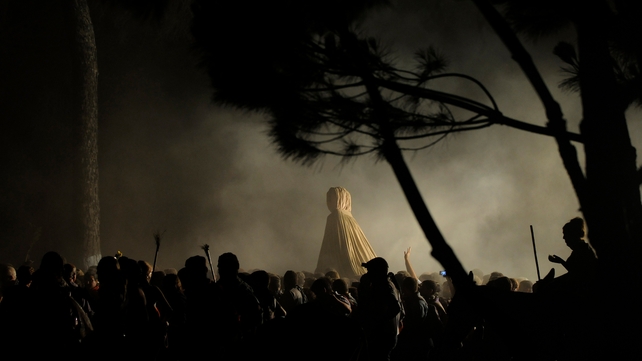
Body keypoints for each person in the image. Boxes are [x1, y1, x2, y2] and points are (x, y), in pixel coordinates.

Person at [315, 187, 377, 280]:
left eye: (330, 199)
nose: (328, 202)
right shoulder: (349, 216)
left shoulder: (335, 215)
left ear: (339, 199)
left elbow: (331, 245)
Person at [358, 257, 404, 361]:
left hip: (383, 335)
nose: (368, 273)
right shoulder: (389, 283)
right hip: (387, 333)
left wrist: (378, 321)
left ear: (376, 271)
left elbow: (395, 308)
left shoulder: (383, 285)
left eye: (370, 270)